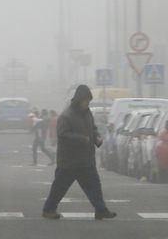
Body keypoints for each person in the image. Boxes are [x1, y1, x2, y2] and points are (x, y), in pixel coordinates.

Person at [41, 85, 116, 220]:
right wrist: (82, 139)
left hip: (86, 160)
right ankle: (48, 210)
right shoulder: (66, 115)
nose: (86, 103)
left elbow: (92, 129)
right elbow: (62, 134)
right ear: (78, 100)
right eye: (85, 100)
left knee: (94, 186)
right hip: (69, 161)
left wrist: (96, 138)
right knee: (59, 187)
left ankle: (101, 210)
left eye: (88, 100)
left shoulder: (87, 113)